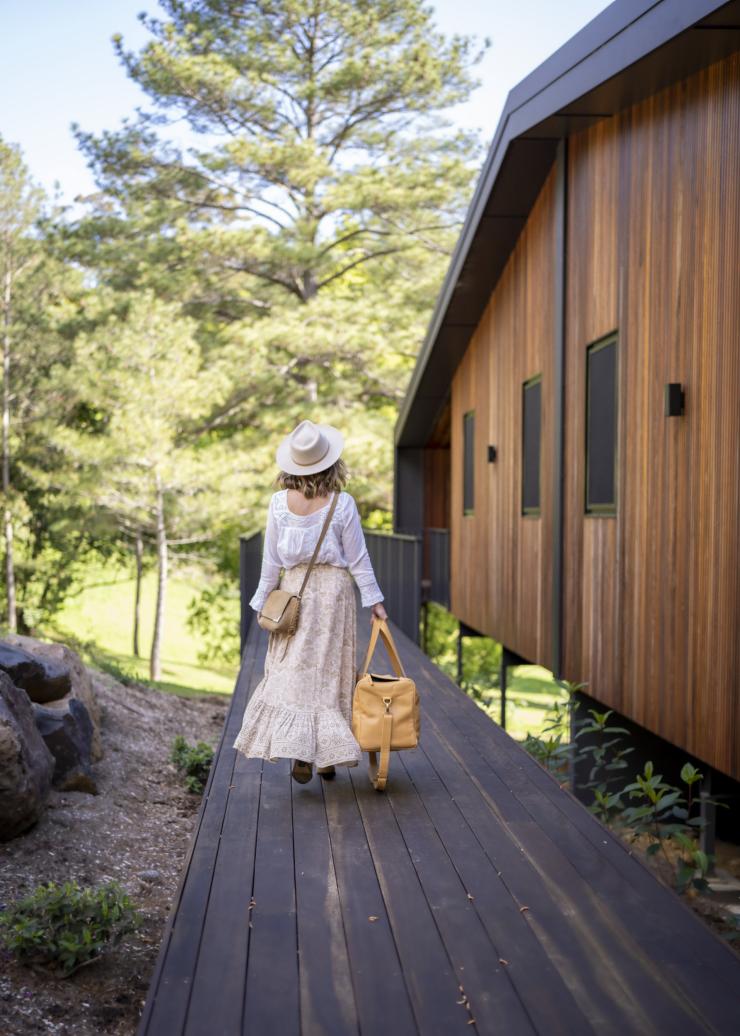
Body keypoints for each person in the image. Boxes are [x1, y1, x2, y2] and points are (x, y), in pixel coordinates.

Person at [233, 418, 388, 784]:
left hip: (292, 596)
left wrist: (260, 603)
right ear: (331, 463)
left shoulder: (278, 504)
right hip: (333, 597)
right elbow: (358, 558)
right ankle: (325, 759)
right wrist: (374, 601)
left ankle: (300, 748)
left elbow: (270, 560)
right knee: (329, 673)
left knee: (290, 671)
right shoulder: (342, 504)